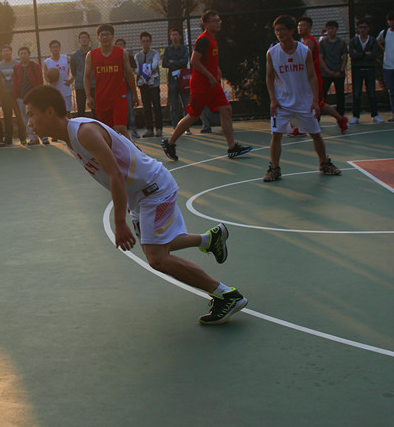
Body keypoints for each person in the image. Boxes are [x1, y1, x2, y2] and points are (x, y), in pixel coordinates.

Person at [23, 85, 248, 324]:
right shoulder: (71, 136)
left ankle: (226, 295)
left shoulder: (83, 133)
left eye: (31, 114)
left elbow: (116, 175)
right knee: (159, 243)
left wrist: (120, 222)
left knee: (157, 258)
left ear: (49, 112)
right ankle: (210, 240)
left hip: (153, 190)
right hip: (140, 194)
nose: (29, 122)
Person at [161, 11, 252, 162]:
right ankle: (169, 143)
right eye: (214, 21)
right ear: (206, 24)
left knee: (226, 109)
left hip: (213, 85)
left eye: (218, 20)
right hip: (201, 85)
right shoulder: (203, 40)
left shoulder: (213, 39)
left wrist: (216, 69)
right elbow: (194, 61)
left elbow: (209, 59)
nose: (218, 23)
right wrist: (209, 75)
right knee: (193, 116)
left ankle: (232, 147)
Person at [263, 15, 342, 182]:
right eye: (277, 30)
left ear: (292, 31)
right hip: (282, 102)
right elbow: (269, 78)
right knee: (276, 135)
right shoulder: (272, 53)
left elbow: (312, 77)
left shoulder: (304, 51)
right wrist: (273, 99)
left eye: (282, 29)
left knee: (316, 134)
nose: (279, 33)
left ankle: (324, 163)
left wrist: (315, 101)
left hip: (303, 101)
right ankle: (274, 168)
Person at [295, 17, 349, 134]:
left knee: (318, 103)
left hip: (313, 78)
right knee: (315, 103)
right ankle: (340, 119)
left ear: (309, 27)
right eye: (299, 26)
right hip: (308, 78)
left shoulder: (309, 41)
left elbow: (302, 59)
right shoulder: (304, 41)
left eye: (303, 25)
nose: (300, 28)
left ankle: (340, 119)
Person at [84, 24, 138, 140]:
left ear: (112, 36)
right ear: (98, 37)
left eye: (107, 35)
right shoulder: (91, 55)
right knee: (107, 132)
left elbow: (129, 74)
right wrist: (88, 96)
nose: (105, 37)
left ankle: (131, 151)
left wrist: (135, 93)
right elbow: (86, 76)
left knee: (120, 128)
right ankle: (115, 151)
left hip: (119, 96)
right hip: (101, 98)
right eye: (102, 35)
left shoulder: (122, 53)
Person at [348, 19, 383, 123]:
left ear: (368, 29)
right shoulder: (353, 41)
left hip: (369, 69)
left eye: (365, 27)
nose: (362, 29)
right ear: (358, 29)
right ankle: (356, 116)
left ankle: (375, 115)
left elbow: (373, 55)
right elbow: (352, 55)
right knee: (356, 93)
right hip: (357, 69)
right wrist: (364, 54)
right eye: (360, 27)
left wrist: (359, 54)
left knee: (371, 93)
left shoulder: (372, 40)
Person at [162, 27, 193, 135]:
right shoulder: (167, 50)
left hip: (183, 79)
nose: (175, 37)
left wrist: (172, 62)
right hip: (172, 80)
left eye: (176, 34)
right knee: (174, 106)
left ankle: (186, 128)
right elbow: (164, 63)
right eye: (173, 35)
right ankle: (176, 127)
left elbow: (185, 61)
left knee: (186, 105)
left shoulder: (184, 49)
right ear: (170, 37)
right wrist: (178, 62)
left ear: (180, 36)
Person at [14, 46, 46, 145]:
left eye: (25, 53)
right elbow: (14, 83)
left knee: (38, 116)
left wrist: (39, 94)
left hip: (34, 97)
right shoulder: (16, 68)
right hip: (21, 97)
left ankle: (44, 136)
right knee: (26, 119)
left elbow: (40, 81)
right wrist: (16, 96)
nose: (23, 55)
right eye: (21, 53)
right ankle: (33, 138)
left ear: (29, 54)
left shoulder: (35, 66)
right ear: (19, 56)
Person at [0, 45, 26, 145]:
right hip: (5, 94)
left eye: (7, 51)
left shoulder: (17, 64)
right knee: (7, 117)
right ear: (1, 53)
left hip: (16, 94)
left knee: (19, 116)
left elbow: (21, 79)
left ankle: (23, 137)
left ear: (11, 52)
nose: (6, 53)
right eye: (4, 51)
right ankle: (8, 138)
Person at [135, 31, 163, 137]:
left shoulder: (155, 54)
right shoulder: (138, 56)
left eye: (147, 41)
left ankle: (159, 128)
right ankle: (149, 129)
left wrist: (143, 69)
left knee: (157, 106)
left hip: (154, 84)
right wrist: (146, 69)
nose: (146, 43)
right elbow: (136, 69)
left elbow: (155, 65)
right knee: (146, 107)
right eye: (144, 41)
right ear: (140, 42)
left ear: (150, 42)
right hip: (143, 85)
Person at [317, 20, 348, 117]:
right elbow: (321, 58)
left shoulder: (341, 43)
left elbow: (345, 57)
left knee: (340, 95)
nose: (330, 31)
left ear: (336, 29)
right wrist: (328, 70)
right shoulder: (323, 43)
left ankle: (341, 116)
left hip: (339, 72)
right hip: (326, 73)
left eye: (332, 28)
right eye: (329, 29)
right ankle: (319, 115)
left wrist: (341, 70)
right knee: (322, 95)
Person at [114, 38, 140, 138]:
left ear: (125, 46)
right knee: (117, 111)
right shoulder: (113, 58)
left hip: (128, 88)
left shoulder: (130, 58)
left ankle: (133, 130)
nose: (120, 46)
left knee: (130, 109)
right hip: (116, 89)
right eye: (118, 44)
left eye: (122, 44)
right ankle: (117, 132)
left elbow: (129, 72)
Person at [43, 39, 73, 115]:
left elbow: (76, 66)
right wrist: (50, 79)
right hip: (54, 90)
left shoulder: (66, 58)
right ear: (50, 49)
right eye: (53, 47)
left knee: (67, 113)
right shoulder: (47, 62)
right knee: (56, 113)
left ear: (60, 48)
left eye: (57, 47)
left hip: (65, 88)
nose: (55, 49)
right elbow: (45, 76)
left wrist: (72, 79)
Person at [70, 31, 95, 117]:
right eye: (82, 38)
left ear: (89, 40)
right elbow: (73, 71)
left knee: (95, 109)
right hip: (80, 86)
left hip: (93, 84)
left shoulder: (94, 53)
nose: (84, 39)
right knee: (80, 109)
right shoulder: (75, 56)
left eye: (86, 37)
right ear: (79, 41)